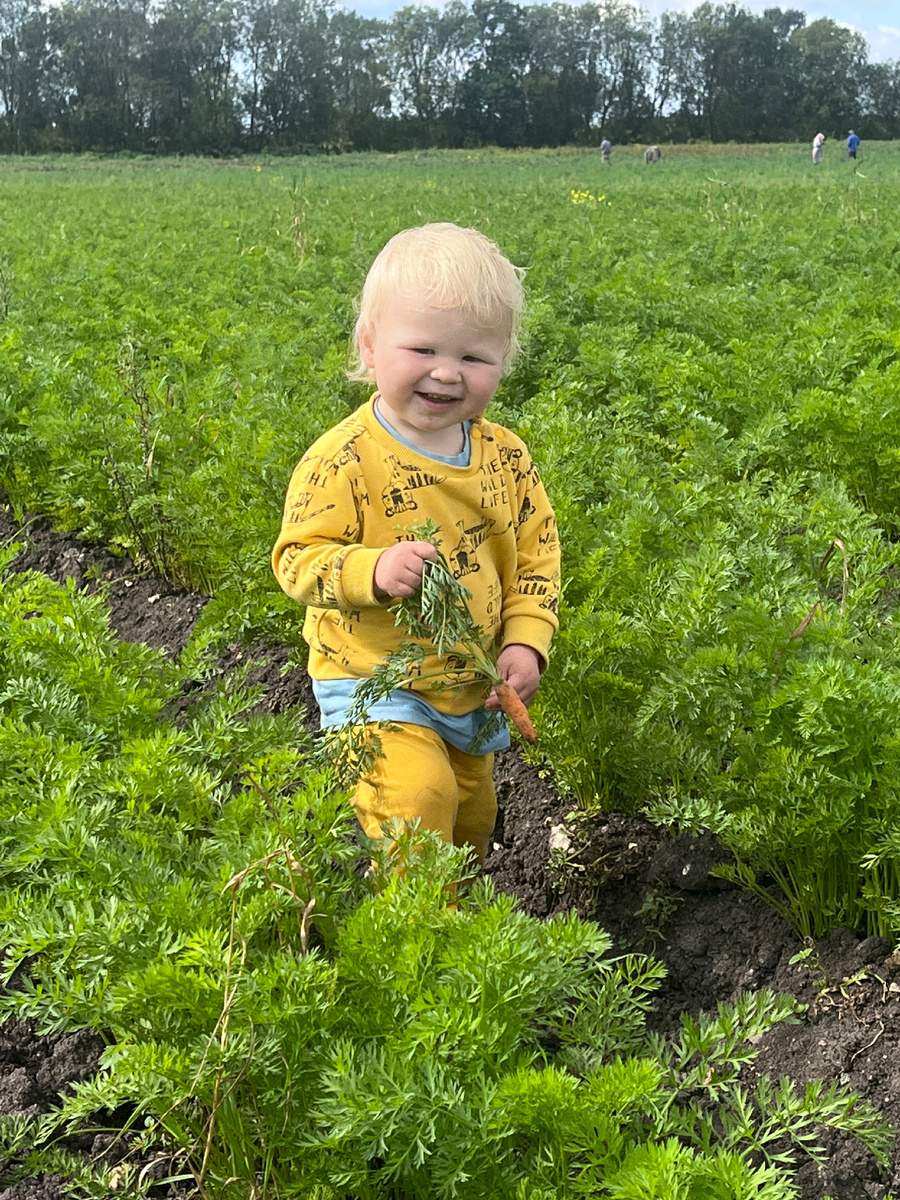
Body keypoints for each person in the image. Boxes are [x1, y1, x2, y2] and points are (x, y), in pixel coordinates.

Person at [272, 223, 560, 866]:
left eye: (474, 358)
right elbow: (297, 562)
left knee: (472, 820)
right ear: (370, 347)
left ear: (503, 364)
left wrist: (524, 641)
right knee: (417, 800)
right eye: (422, 349)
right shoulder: (342, 461)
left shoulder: (505, 458)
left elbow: (537, 554)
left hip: (469, 686)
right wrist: (371, 571)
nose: (446, 373)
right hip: (373, 683)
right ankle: (415, 940)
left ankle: (448, 931)